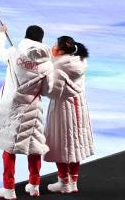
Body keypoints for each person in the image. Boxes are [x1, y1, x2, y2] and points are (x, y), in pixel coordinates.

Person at [0, 24, 53, 199]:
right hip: (32, 110)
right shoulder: (47, 65)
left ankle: (9, 189)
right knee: (34, 147)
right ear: (41, 40)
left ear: (26, 36)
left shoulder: (13, 53)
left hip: (10, 107)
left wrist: (1, 34)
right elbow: (47, 91)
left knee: (9, 147)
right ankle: (34, 186)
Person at [45, 36, 94, 195]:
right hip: (79, 108)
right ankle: (73, 182)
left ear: (60, 51)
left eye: (55, 45)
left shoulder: (59, 68)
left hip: (63, 109)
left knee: (60, 144)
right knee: (75, 144)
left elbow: (52, 92)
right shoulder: (79, 60)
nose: (52, 47)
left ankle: (64, 182)